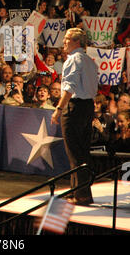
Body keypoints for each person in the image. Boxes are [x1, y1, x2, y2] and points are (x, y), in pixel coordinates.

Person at [51, 28, 98, 205]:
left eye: (67, 40)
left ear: (76, 42)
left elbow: (69, 87)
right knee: (82, 151)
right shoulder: (89, 61)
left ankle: (81, 195)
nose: (63, 43)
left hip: (75, 107)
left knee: (74, 153)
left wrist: (59, 108)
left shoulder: (73, 60)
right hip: (88, 107)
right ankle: (79, 192)